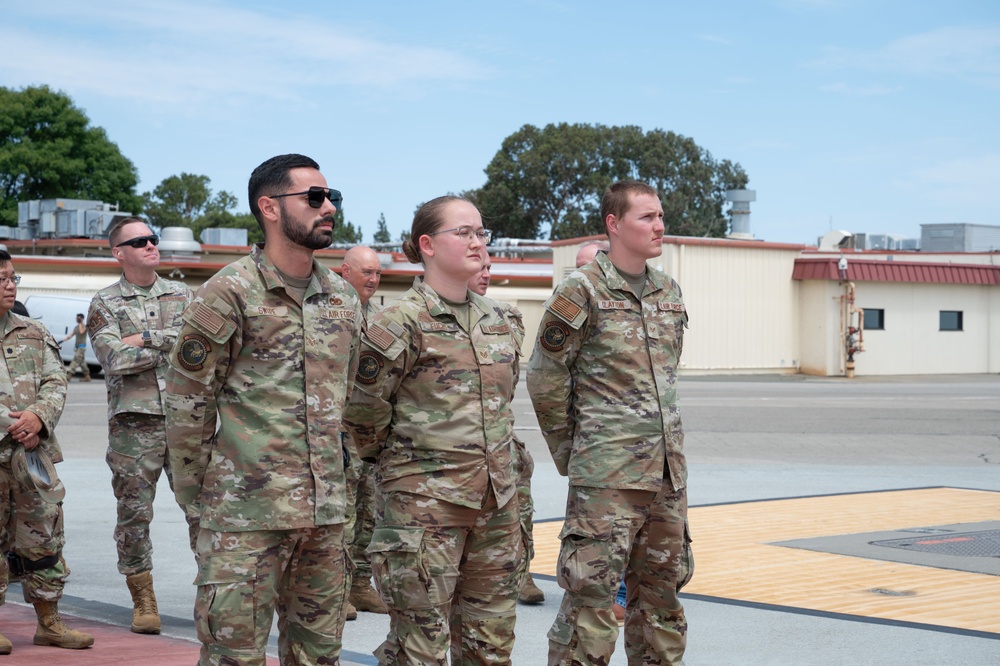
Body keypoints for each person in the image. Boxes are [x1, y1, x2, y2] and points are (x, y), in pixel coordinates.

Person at [164, 153, 360, 665]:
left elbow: (354, 400)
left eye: (331, 197)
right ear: (269, 208)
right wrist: (199, 502)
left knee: (319, 656)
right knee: (236, 656)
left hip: (326, 517)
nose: (328, 208)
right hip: (244, 517)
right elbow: (187, 403)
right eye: (314, 198)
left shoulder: (341, 296)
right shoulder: (228, 292)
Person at [344, 196, 524, 665]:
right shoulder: (396, 323)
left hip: (496, 506)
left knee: (491, 647)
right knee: (418, 649)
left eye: (481, 232)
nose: (476, 242)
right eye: (462, 232)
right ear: (426, 244)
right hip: (425, 510)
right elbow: (363, 413)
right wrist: (408, 470)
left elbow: (503, 405)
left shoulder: (502, 322)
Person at [527, 181, 694, 665]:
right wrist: (575, 451)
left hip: (666, 476)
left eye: (661, 216)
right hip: (607, 478)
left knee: (662, 602)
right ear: (614, 225)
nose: (659, 225)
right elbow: (545, 378)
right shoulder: (581, 290)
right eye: (646, 217)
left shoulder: (668, 290)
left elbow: (666, 374)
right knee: (592, 603)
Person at [88, 216, 194, 635]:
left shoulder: (184, 294)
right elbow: (112, 359)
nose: (152, 245)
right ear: (119, 253)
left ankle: (215, 594)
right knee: (134, 514)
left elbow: (200, 350)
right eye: (140, 241)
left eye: (153, 239)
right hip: (135, 426)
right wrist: (170, 340)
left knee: (204, 512)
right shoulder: (105, 303)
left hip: (187, 420)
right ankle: (143, 598)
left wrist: (144, 339)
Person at [0, 250, 94, 653]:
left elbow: (56, 381)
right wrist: (12, 424)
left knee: (44, 538)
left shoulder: (32, 332)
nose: (10, 285)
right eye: (2, 278)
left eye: (13, 278)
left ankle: (49, 621)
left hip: (31, 459)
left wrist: (38, 417)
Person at [466, 252, 545, 605]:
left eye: (489, 268)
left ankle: (521, 571)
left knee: (519, 510)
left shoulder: (505, 318)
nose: (485, 274)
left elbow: (509, 382)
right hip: (456, 446)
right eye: (479, 268)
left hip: (501, 439)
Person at [338, 245, 387, 618]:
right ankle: (337, 590)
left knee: (369, 510)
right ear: (345, 272)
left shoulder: (382, 317)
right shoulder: (335, 313)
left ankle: (359, 585)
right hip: (338, 428)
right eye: (365, 272)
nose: (372, 279)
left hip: (371, 431)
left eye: (377, 274)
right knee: (343, 512)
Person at [60, 314, 91, 382]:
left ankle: (69, 376)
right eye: (77, 318)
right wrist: (61, 341)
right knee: (82, 363)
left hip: (81, 347)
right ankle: (87, 376)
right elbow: (70, 336)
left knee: (75, 360)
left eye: (78, 318)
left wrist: (80, 323)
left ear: (82, 318)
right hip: (77, 347)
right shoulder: (76, 327)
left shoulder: (84, 326)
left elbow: (81, 332)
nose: (77, 319)